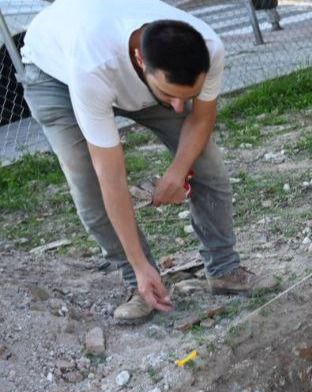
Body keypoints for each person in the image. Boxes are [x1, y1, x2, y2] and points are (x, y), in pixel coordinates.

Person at [20, 0, 277, 324]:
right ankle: (139, 282)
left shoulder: (209, 47)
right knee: (89, 189)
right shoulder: (92, 68)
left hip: (134, 76)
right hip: (55, 76)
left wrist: (178, 169)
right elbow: (109, 176)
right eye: (171, 96)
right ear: (141, 61)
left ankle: (224, 269)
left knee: (207, 164)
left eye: (188, 95)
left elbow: (199, 119)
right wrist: (140, 265)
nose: (179, 107)